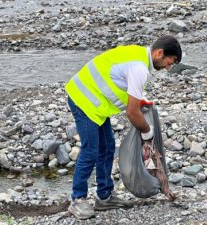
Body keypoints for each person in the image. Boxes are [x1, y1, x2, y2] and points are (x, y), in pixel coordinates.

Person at [65, 35, 182, 219]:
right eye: (170, 61)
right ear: (160, 53)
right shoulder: (140, 68)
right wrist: (146, 131)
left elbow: (124, 89)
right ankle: (77, 200)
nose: (168, 67)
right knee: (91, 150)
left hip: (95, 104)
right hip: (83, 99)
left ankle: (104, 197)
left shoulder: (138, 55)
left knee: (107, 147)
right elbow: (132, 112)